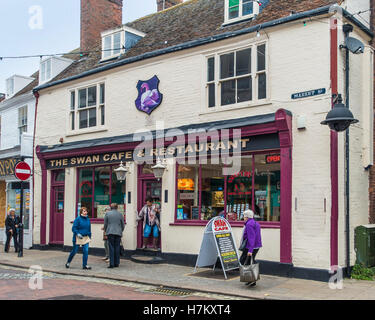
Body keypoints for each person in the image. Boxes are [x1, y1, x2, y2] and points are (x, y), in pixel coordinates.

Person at [240, 209, 262, 287]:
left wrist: (250, 250)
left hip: (250, 246)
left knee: (244, 261)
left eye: (244, 216)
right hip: (256, 246)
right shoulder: (256, 223)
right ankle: (251, 279)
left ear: (247, 217)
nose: (243, 217)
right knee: (250, 262)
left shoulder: (249, 224)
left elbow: (251, 238)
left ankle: (252, 279)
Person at [104, 203, 125, 268]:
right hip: (118, 232)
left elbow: (105, 224)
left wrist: (106, 231)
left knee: (111, 248)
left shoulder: (107, 214)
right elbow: (123, 225)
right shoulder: (120, 214)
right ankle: (117, 263)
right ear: (117, 207)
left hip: (110, 232)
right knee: (117, 247)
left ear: (111, 207)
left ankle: (111, 264)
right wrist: (120, 230)